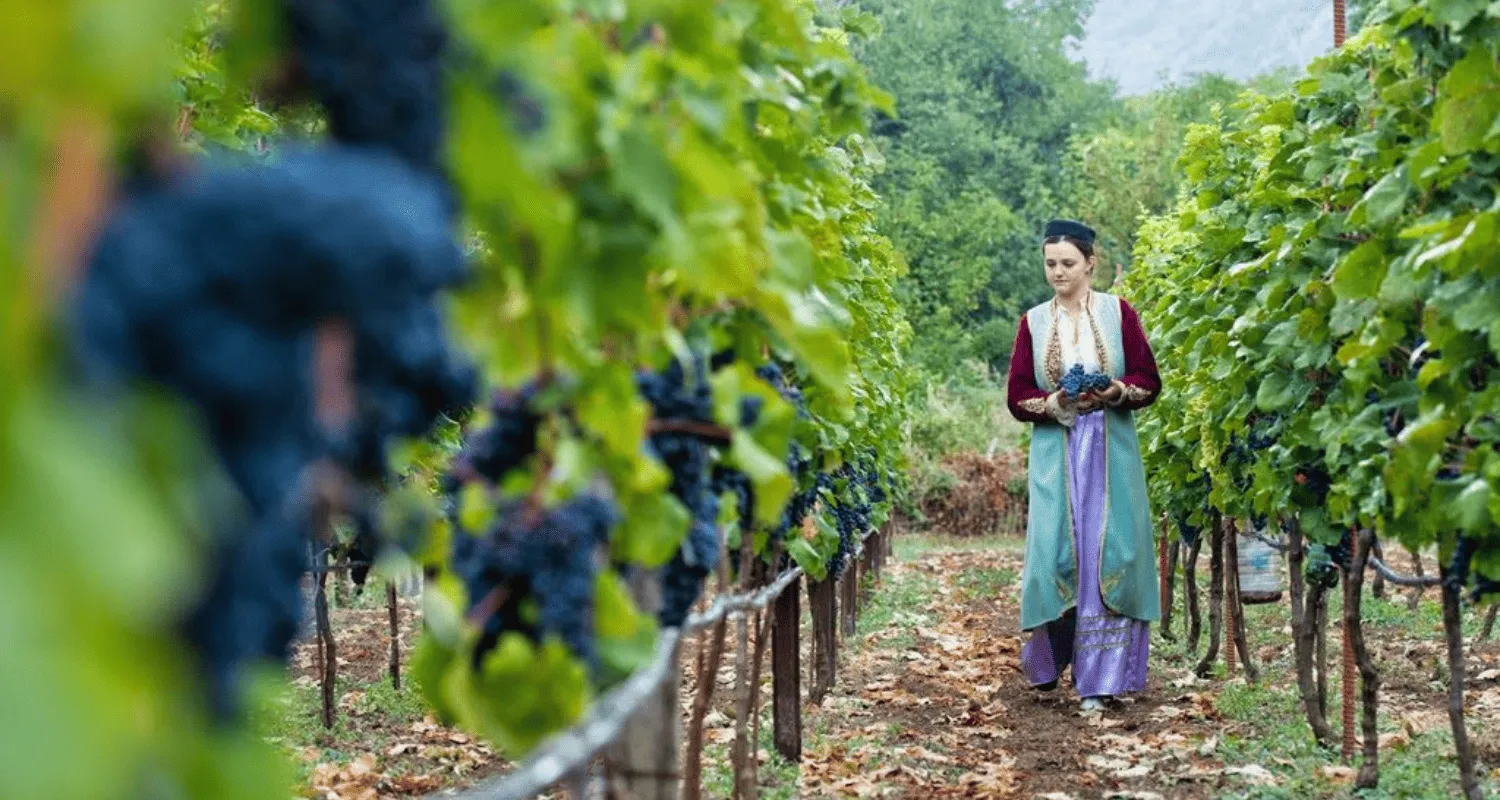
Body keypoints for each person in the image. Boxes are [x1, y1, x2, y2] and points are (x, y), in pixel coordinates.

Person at [1005, 219, 1162, 712]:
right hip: (1058, 451)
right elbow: (1016, 397)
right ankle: (1051, 663)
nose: (1057, 272)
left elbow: (1148, 380)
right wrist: (1053, 402)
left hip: (1111, 450)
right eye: (1050, 263)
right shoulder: (1033, 322)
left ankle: (1104, 678)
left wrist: (1113, 390)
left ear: (1091, 263)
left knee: (1112, 553)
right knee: (1054, 554)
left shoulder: (1120, 315)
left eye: (1068, 263)